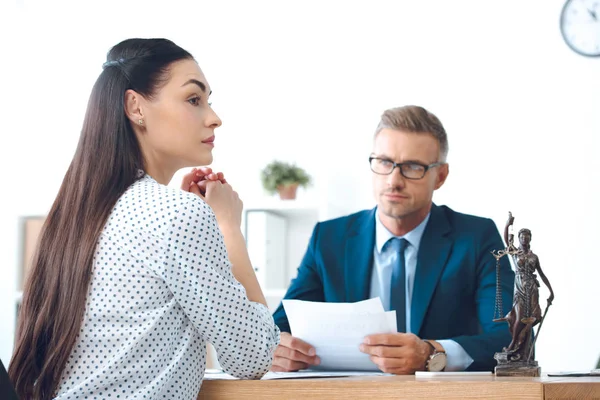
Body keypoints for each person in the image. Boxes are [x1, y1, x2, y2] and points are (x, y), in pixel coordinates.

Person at [9, 38, 280, 399]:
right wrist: (228, 227)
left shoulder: (74, 220)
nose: (215, 117)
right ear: (135, 106)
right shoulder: (177, 215)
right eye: (193, 99)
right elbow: (253, 355)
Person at [272, 105, 515, 374]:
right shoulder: (329, 239)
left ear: (441, 176)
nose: (394, 180)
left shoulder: (477, 238)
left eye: (413, 167)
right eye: (385, 162)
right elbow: (280, 328)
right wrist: (278, 348)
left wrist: (432, 353)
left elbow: (511, 341)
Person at [495, 213, 554, 362]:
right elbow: (506, 239)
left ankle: (524, 351)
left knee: (531, 319)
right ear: (519, 238)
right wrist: (508, 224)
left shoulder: (534, 257)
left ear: (530, 239)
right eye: (522, 237)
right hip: (520, 287)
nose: (524, 239)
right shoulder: (515, 253)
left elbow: (541, 274)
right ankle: (513, 344)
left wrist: (551, 291)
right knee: (519, 317)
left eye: (527, 237)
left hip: (532, 288)